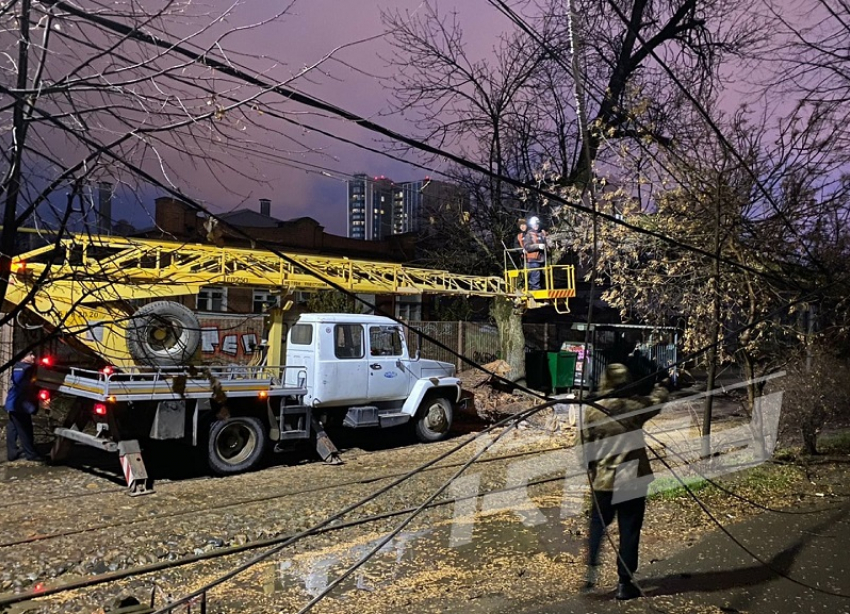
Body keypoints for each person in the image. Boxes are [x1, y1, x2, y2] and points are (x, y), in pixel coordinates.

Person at [581, 363, 669, 600]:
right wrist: (663, 384)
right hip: (632, 479)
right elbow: (656, 401)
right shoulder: (634, 408)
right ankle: (624, 583)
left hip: (603, 479)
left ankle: (590, 571)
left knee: (598, 526)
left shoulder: (592, 411)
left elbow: (585, 447)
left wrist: (590, 468)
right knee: (629, 530)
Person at [4, 350, 43, 462]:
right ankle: (30, 454)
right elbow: (24, 386)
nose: (33, 357)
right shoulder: (23, 369)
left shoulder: (20, 367)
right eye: (30, 355)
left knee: (13, 428)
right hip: (19, 405)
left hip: (15, 404)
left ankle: (12, 453)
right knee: (25, 429)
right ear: (23, 358)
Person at [522, 216, 548, 290]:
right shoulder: (529, 235)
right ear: (531, 225)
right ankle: (535, 293)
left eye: (537, 224)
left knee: (542, 277)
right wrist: (538, 246)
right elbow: (527, 247)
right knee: (535, 277)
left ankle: (541, 293)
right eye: (534, 224)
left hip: (542, 259)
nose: (536, 226)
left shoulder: (542, 234)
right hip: (533, 260)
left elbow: (547, 244)